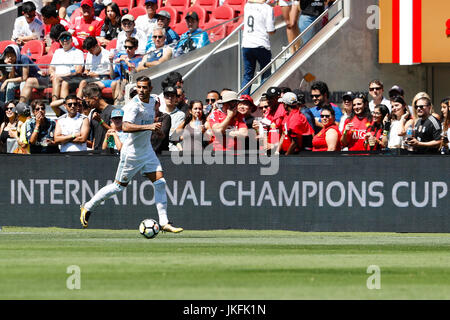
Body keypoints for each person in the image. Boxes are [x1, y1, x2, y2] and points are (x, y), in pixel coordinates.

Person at [80, 76, 183, 233]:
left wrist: (157, 130)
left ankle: (164, 222)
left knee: (160, 182)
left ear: (151, 88)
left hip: (147, 151)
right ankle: (88, 206)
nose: (141, 91)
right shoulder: (133, 106)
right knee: (118, 187)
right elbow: (126, 127)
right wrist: (150, 126)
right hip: (132, 153)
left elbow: (154, 115)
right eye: (139, 87)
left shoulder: (153, 101)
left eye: (144, 87)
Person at [240, 0, 275, 96]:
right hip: (261, 44)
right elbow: (270, 30)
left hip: (246, 44)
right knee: (266, 73)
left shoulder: (247, 6)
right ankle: (264, 98)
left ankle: (243, 99)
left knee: (248, 75)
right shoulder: (268, 8)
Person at [48, 31, 85, 114]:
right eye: (62, 38)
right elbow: (51, 67)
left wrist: (61, 75)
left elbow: (78, 70)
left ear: (71, 40)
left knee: (63, 81)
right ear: (60, 41)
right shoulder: (57, 52)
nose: (65, 40)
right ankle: (56, 107)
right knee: (30, 81)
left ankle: (60, 107)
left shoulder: (78, 52)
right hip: (57, 78)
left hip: (72, 78)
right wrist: (52, 73)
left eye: (67, 38)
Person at [108, 37, 143, 105]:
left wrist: (125, 60)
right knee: (114, 83)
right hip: (121, 81)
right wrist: (111, 62)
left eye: (130, 47)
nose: (127, 49)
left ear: (135, 48)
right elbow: (112, 76)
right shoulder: (122, 58)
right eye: (125, 47)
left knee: (121, 82)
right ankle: (116, 103)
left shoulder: (138, 58)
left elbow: (134, 71)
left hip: (132, 80)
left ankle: (119, 101)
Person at [82, 82, 114, 150]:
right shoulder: (93, 112)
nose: (88, 105)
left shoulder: (113, 111)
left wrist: (100, 121)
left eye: (89, 102)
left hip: (109, 152)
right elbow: (94, 137)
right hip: (96, 152)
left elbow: (115, 132)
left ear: (95, 98)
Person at [160, 85, 185, 151]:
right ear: (164, 98)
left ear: (176, 98)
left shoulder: (181, 115)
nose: (170, 98)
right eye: (167, 96)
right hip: (158, 147)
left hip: (173, 148)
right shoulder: (159, 112)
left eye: (172, 96)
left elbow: (174, 135)